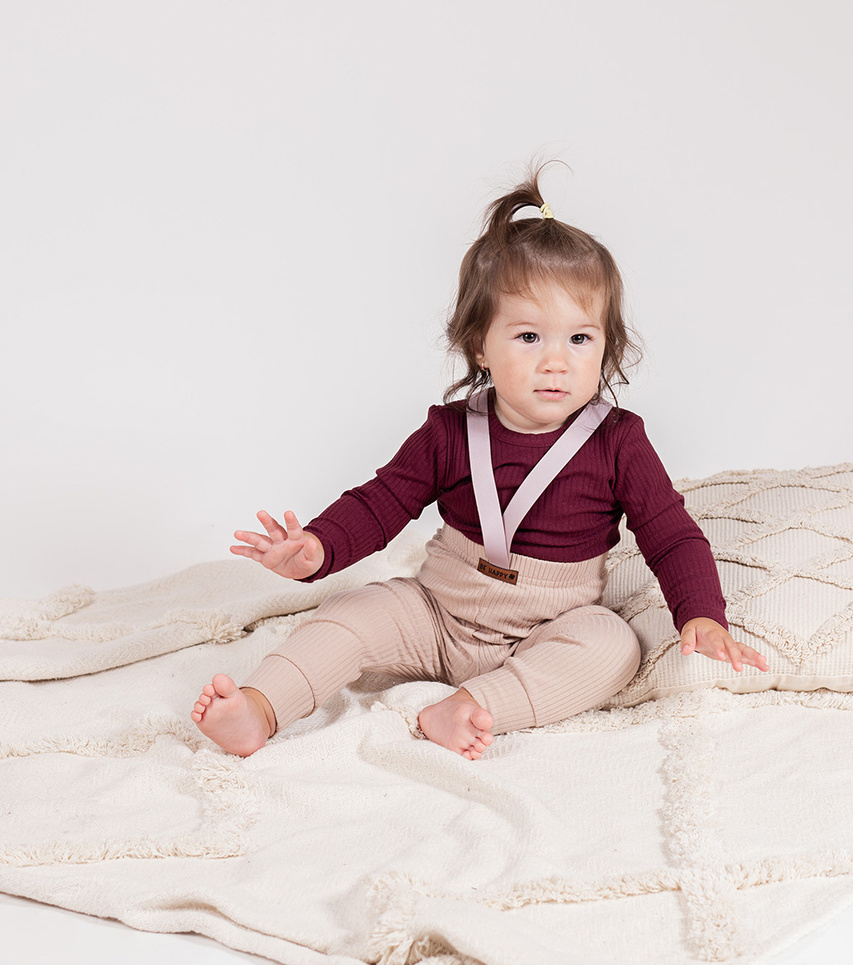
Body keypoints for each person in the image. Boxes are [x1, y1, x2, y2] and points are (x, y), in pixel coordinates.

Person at [191, 168, 768, 760]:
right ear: (479, 345)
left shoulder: (618, 441)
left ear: (606, 344)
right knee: (351, 611)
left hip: (547, 630)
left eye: (579, 339)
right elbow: (382, 500)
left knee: (613, 646)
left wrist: (701, 613)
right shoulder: (450, 431)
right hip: (437, 614)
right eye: (529, 337)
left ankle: (469, 705)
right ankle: (260, 708)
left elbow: (672, 536)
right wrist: (318, 547)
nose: (556, 362)